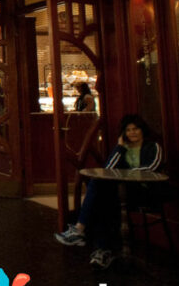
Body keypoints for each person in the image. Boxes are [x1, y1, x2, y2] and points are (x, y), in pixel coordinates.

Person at [54, 114, 163, 269]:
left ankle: (90, 240)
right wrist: (119, 148)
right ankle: (99, 248)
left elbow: (151, 169)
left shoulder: (153, 147)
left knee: (101, 195)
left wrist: (125, 175)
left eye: (136, 129)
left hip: (145, 192)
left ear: (142, 130)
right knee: (100, 192)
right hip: (123, 191)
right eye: (128, 130)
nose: (132, 133)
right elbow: (108, 169)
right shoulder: (122, 149)